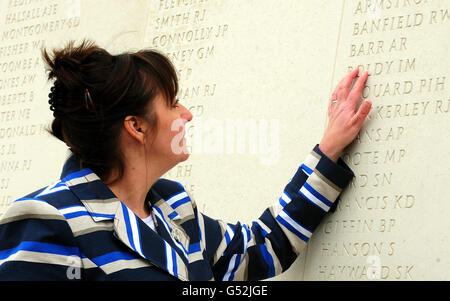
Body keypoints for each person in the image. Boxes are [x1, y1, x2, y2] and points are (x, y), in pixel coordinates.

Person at [0, 39, 371, 281]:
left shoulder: (175, 209)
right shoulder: (46, 219)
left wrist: (327, 151)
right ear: (136, 127)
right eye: (173, 102)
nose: (187, 114)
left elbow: (262, 247)